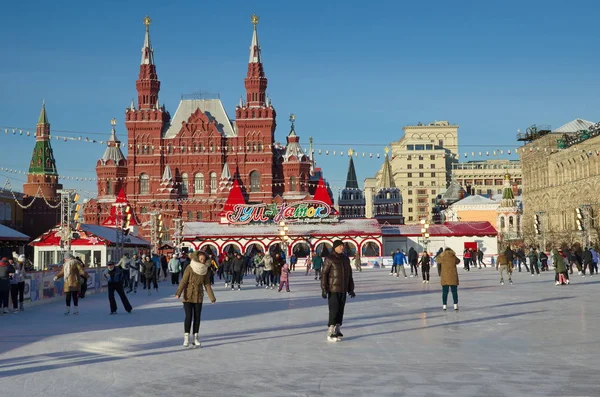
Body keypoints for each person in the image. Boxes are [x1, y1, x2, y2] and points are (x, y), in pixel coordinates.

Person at [175, 251, 216, 347]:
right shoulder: (190, 267)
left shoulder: (205, 270)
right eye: (201, 259)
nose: (202, 261)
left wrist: (212, 298)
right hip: (188, 295)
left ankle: (195, 338)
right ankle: (186, 338)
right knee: (189, 316)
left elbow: (207, 284)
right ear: (197, 258)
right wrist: (178, 293)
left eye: (204, 259)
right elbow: (184, 281)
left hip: (198, 295)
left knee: (197, 317)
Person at [321, 240, 355, 342]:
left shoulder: (345, 259)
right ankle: (330, 331)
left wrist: (351, 289)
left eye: (342, 246)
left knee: (340, 310)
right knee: (334, 310)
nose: (342, 247)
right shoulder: (329, 258)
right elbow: (324, 274)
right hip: (333, 289)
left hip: (343, 289)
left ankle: (337, 329)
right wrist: (324, 288)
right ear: (335, 247)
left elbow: (349, 275)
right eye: (340, 246)